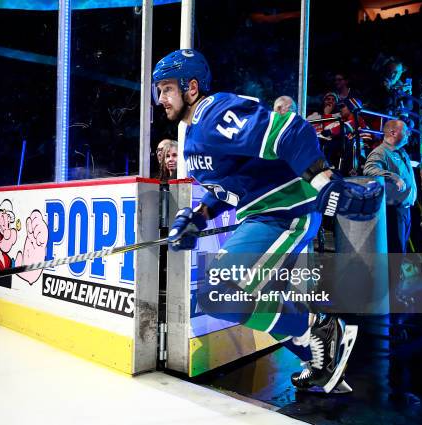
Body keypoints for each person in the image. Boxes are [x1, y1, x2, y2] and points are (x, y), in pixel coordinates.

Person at [153, 49, 383, 393]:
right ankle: (318, 355)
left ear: (191, 87)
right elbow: (227, 189)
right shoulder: (193, 136)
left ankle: (318, 327)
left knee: (217, 294)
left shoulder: (215, 112)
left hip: (285, 211)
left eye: (167, 88)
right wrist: (197, 219)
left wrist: (323, 182)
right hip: (263, 215)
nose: (160, 99)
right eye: (158, 91)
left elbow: (290, 131)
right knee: (255, 299)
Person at [364, 120, 417, 254]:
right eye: (406, 131)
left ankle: (396, 275)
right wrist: (393, 176)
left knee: (401, 251)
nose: (409, 134)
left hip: (405, 211)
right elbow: (369, 169)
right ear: (393, 132)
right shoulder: (380, 152)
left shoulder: (401, 152)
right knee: (395, 252)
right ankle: (392, 275)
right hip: (393, 212)